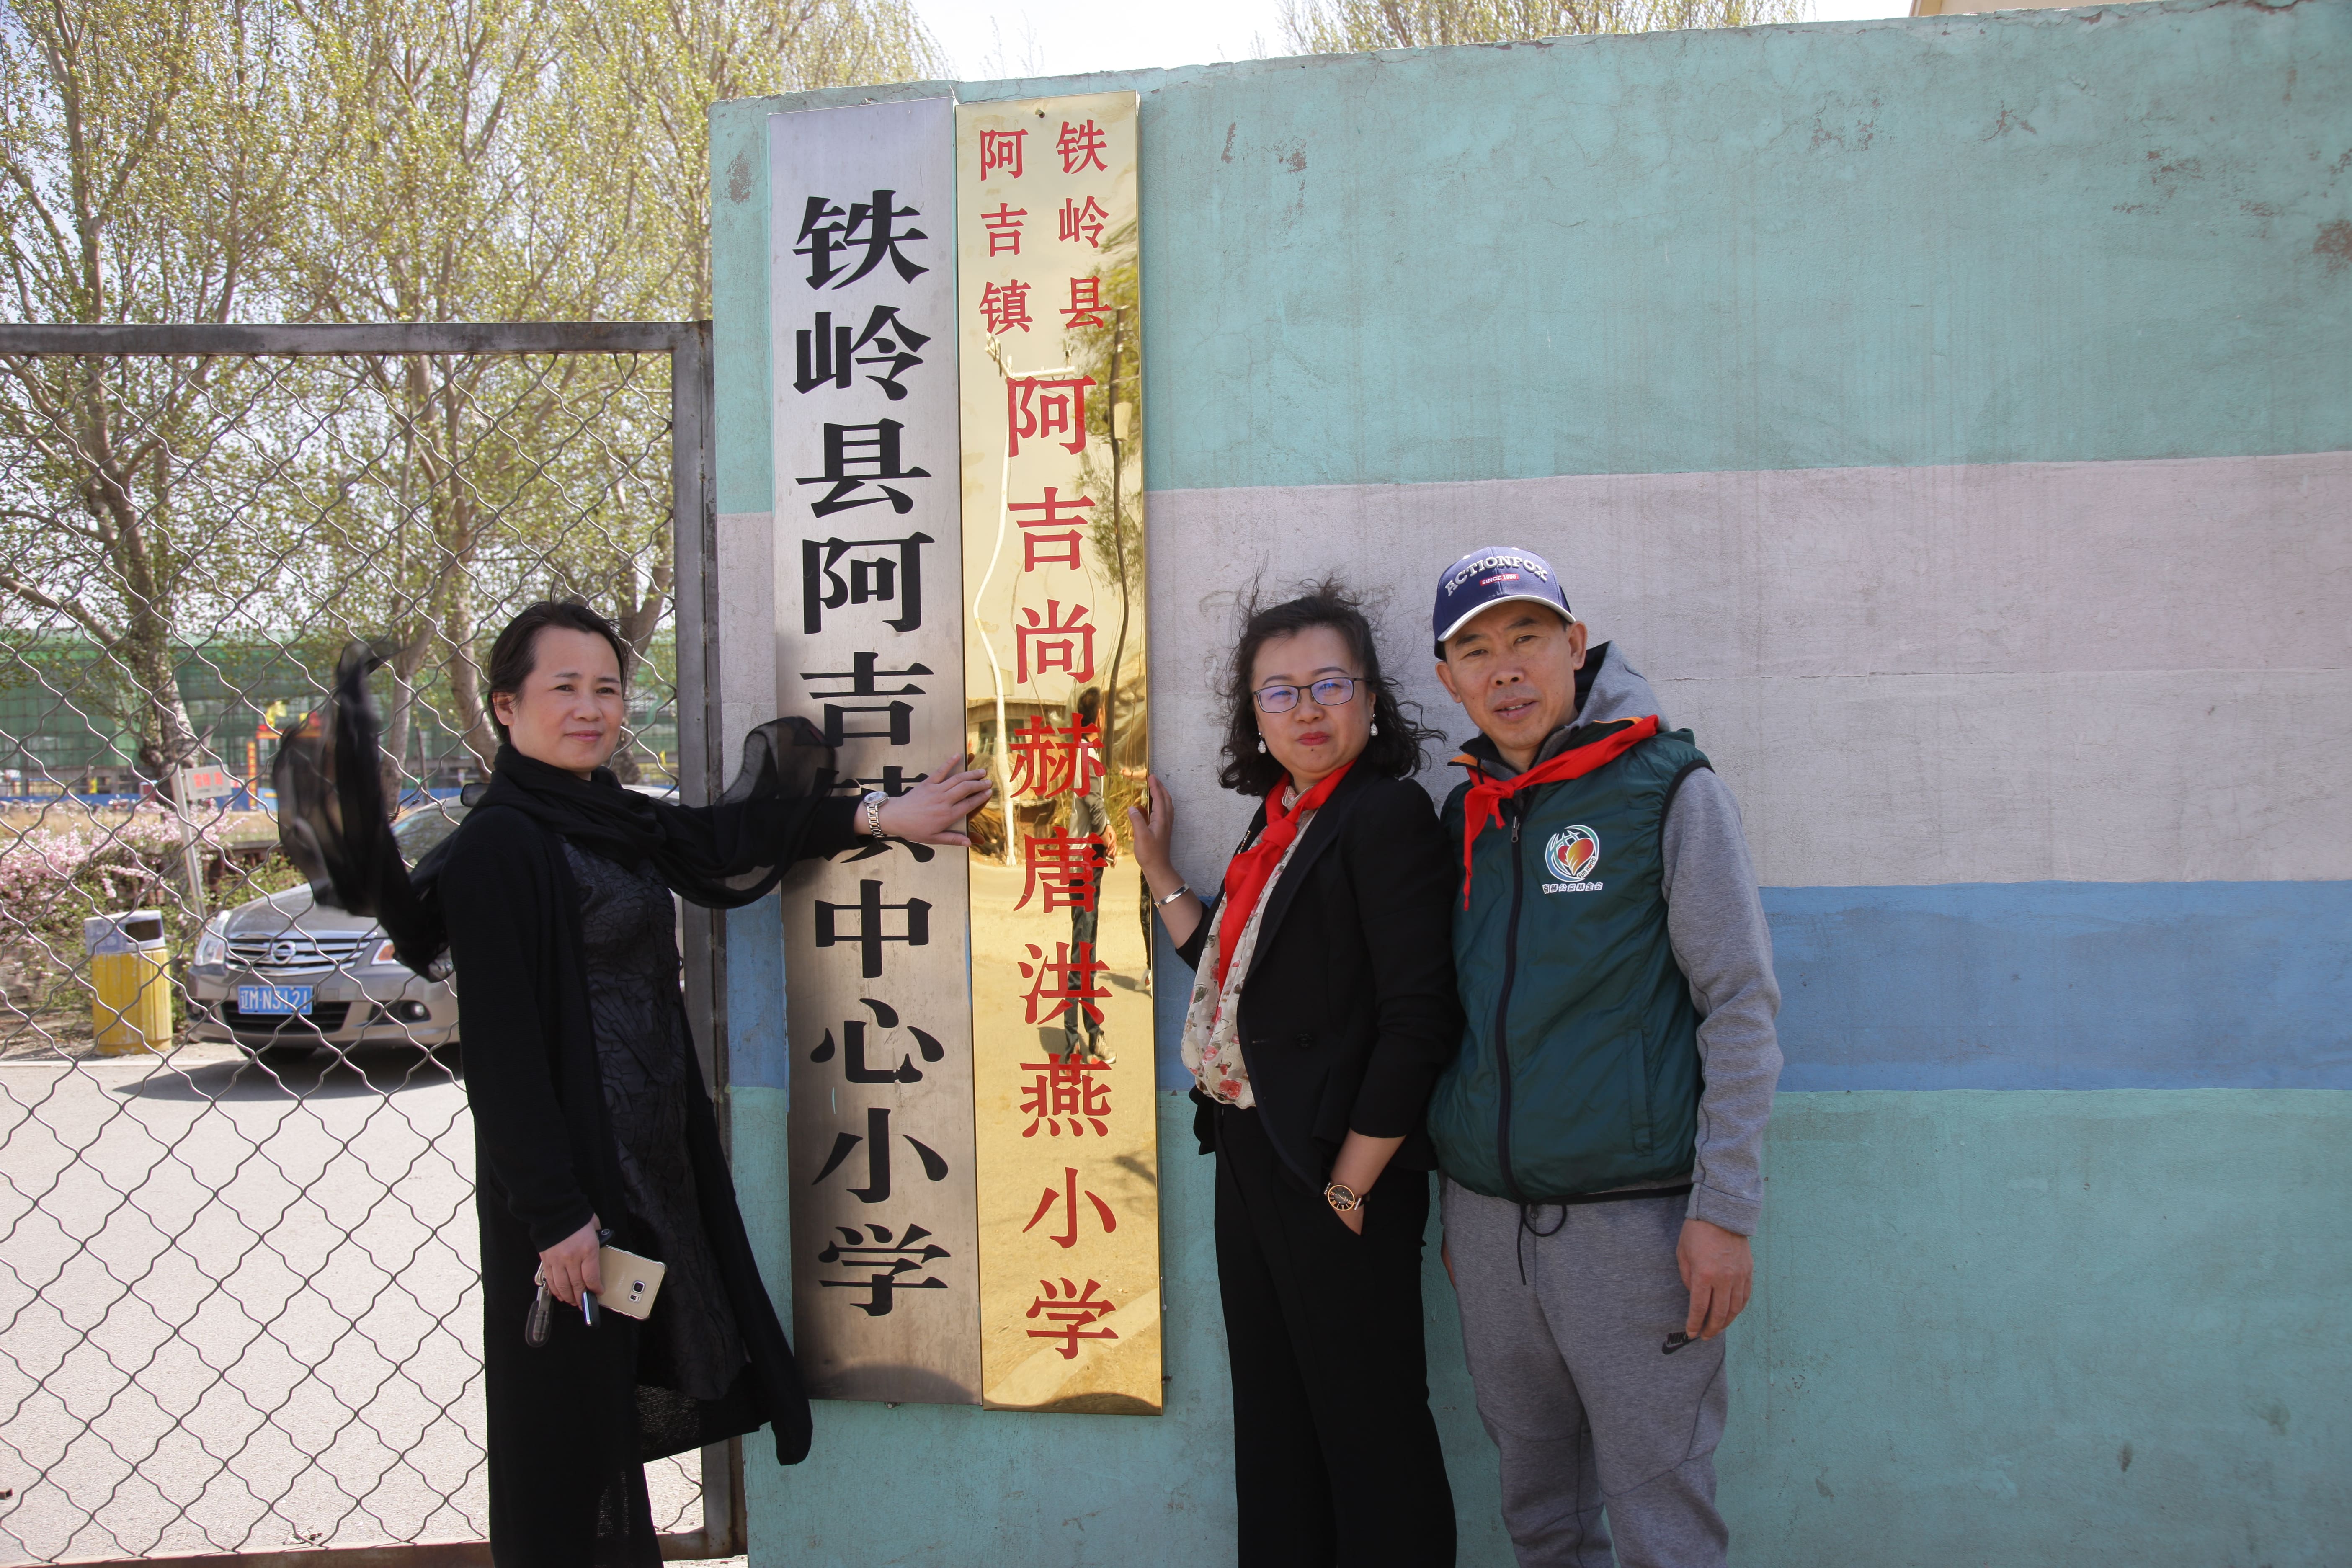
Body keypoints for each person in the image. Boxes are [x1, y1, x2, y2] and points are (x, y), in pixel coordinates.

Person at [274, 602, 988, 1567]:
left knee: (611, 1419)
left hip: (651, 1162)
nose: (590, 708)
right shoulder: (502, 846)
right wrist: (557, 1215)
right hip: (577, 1191)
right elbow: (508, 1054)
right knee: (567, 1446)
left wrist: (877, 816)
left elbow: (713, 838)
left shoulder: (604, 816)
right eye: (563, 688)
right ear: (505, 706)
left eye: (606, 688)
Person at [1422, 548, 1783, 1568]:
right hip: (1491, 1232)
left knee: (1662, 1517)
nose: (1505, 670)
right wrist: (1465, 1198)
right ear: (1448, 680)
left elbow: (1741, 1006)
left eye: (1528, 638)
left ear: (1577, 648)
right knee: (1539, 1514)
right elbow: (1456, 1017)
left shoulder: (1670, 789)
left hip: (1638, 1230)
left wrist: (1724, 1212)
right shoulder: (1467, 816)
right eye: (1475, 651)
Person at [1128, 582, 1460, 1568]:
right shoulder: (1278, 821)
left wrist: (1353, 1181)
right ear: (1253, 715)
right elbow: (1239, 980)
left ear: (1369, 700)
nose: (1307, 710)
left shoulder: (1384, 815)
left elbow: (1419, 1018)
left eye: (1328, 684)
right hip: (1253, 1150)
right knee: (1276, 1424)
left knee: (1372, 1437)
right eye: (1280, 693)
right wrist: (1160, 874)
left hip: (1338, 1167)